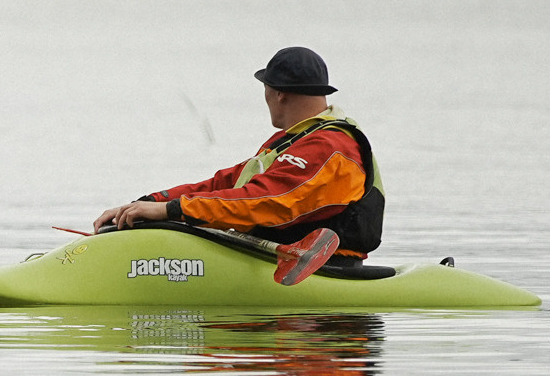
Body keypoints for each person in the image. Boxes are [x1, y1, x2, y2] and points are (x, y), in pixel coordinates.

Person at [92, 46, 385, 287]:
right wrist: (150, 202)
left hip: (324, 270)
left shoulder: (331, 147)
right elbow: (226, 184)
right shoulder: (293, 140)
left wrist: (173, 210)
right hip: (271, 258)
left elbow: (264, 201)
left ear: (278, 93)